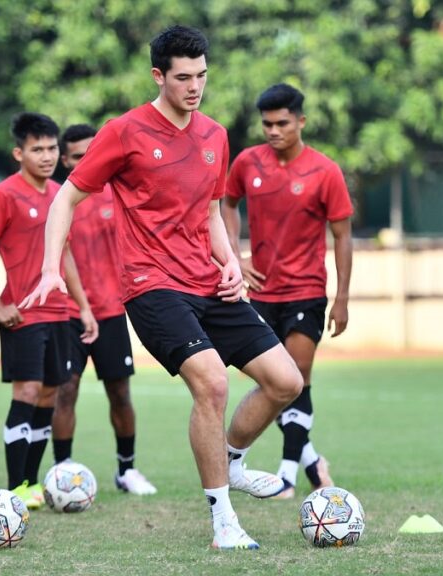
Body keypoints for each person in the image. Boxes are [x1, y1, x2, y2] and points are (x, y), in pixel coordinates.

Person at [19, 25, 304, 550]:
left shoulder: (215, 135)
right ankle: (223, 520)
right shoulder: (125, 132)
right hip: (150, 285)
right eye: (183, 77)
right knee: (213, 383)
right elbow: (65, 199)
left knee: (286, 381)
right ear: (159, 76)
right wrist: (50, 268)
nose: (194, 87)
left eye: (201, 76)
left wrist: (231, 264)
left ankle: (234, 460)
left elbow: (212, 212)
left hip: (207, 281)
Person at [222, 83, 353, 499]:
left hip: (307, 292)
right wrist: (234, 257)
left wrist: (343, 298)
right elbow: (226, 204)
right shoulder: (247, 162)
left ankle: (287, 476)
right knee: (272, 383)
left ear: (301, 122)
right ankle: (312, 458)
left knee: (297, 379)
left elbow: (343, 235)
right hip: (261, 295)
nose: (274, 131)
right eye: (267, 124)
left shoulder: (324, 171)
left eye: (282, 123)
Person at [0, 113, 98, 510]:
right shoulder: (4, 195)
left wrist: (84, 307)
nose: (46, 156)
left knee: (48, 396)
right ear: (18, 153)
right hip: (22, 314)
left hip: (60, 314)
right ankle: (14, 487)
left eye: (51, 148)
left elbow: (67, 256)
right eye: (37, 149)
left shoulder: (61, 194)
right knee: (25, 392)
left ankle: (31, 484)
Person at [50, 124, 157, 496]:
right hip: (68, 312)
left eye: (91, 153)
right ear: (66, 161)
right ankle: (62, 471)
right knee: (65, 391)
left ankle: (126, 470)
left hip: (112, 310)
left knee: (120, 393)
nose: (87, 161)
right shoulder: (63, 199)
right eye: (78, 156)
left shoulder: (119, 194)